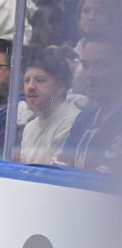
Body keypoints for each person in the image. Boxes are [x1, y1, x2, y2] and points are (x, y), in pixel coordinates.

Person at [55, 34, 122, 174]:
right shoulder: (84, 118)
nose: (90, 74)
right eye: (85, 65)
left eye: (101, 65)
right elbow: (62, 167)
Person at [19, 49, 80, 165]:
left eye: (40, 80)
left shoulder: (73, 123)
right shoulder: (29, 128)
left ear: (61, 86)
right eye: (27, 80)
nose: (30, 87)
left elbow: (56, 176)